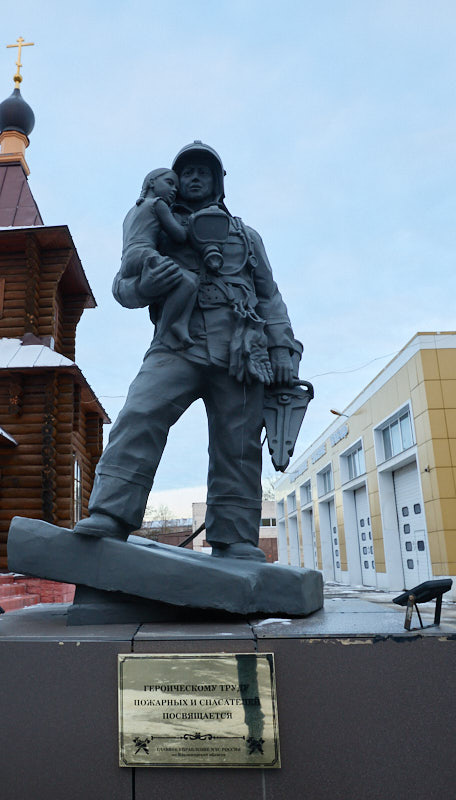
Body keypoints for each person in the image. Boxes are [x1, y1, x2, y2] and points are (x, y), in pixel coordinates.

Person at [73, 141, 302, 561]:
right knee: (140, 413)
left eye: (204, 172)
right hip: (177, 342)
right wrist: (147, 286)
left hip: (242, 351)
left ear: (218, 182)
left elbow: (270, 297)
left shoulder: (247, 237)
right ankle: (110, 514)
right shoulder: (160, 225)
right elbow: (122, 287)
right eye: (188, 172)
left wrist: (284, 348)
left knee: (239, 444)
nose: (195, 178)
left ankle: (235, 539)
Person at [119, 168, 195, 348]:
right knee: (189, 282)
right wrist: (192, 225)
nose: (174, 190)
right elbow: (179, 235)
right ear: (152, 182)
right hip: (144, 254)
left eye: (176, 188)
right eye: (170, 183)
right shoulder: (158, 204)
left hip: (129, 260)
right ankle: (168, 330)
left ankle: (181, 323)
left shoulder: (131, 212)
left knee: (185, 282)